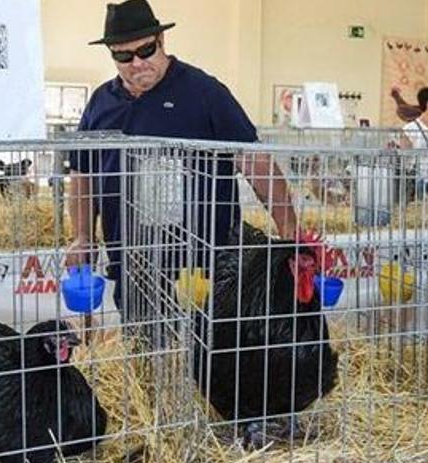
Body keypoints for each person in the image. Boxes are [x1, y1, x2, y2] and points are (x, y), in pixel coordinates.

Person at [66, 0, 298, 331]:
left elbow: (254, 161)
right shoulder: (101, 102)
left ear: (162, 42)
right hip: (133, 259)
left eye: (145, 50)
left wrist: (290, 232)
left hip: (206, 262)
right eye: (123, 56)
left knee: (211, 355)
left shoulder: (205, 92)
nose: (136, 63)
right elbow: (83, 173)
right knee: (145, 349)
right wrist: (82, 236)